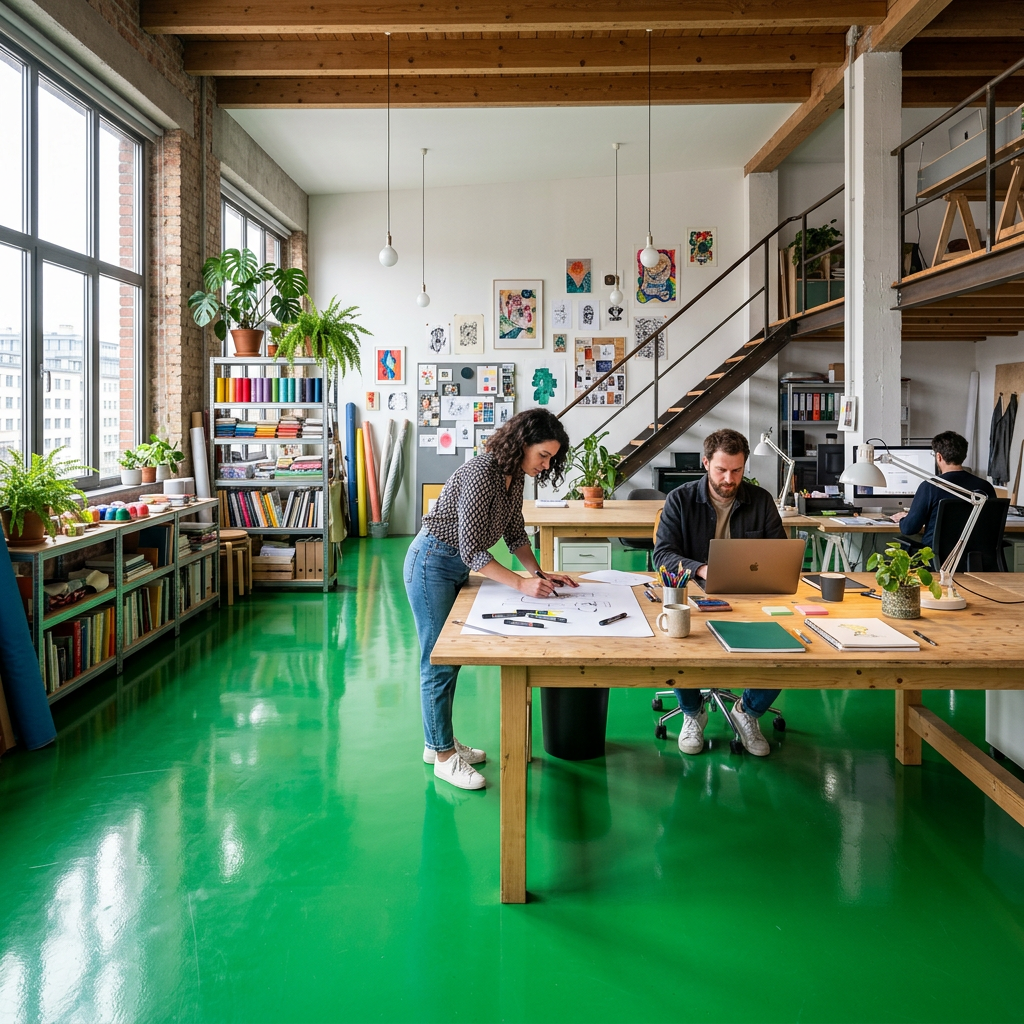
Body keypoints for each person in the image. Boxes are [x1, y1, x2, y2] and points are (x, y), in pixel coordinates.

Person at [404, 409, 575, 790]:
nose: (546, 464)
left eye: (551, 458)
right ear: (522, 443)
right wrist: (520, 585)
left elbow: (515, 532)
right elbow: (471, 551)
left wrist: (538, 574)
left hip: (450, 565)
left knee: (449, 661)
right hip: (431, 562)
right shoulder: (484, 472)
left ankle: (438, 744)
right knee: (438, 660)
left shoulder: (514, 477)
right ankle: (444, 757)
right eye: (543, 455)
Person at [653, 428, 786, 757]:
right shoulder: (680, 500)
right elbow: (663, 554)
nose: (729, 478)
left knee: (789, 646)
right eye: (721, 470)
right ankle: (692, 711)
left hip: (750, 598)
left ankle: (748, 711)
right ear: (705, 463)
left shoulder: (761, 500)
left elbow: (780, 554)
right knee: (676, 640)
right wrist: (701, 568)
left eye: (737, 470)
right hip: (695, 596)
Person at [891, 431, 996, 549]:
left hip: (938, 560)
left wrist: (904, 519)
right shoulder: (986, 487)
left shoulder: (930, 486)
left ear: (939, 456)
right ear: (963, 456)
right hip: (977, 560)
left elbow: (909, 529)